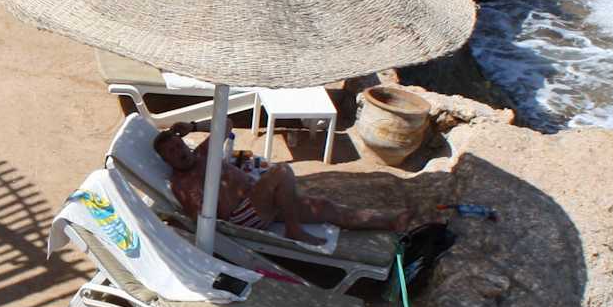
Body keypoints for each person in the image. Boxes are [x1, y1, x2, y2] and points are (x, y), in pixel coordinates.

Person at [153, 128, 420, 242]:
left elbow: (227, 124)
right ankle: (293, 229)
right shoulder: (182, 184)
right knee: (281, 171)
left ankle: (391, 220)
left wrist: (192, 125)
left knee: (324, 206)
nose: (180, 152)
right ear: (165, 160)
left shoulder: (201, 153)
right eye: (172, 152)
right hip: (244, 214)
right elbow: (202, 218)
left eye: (179, 145)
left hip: (261, 200)